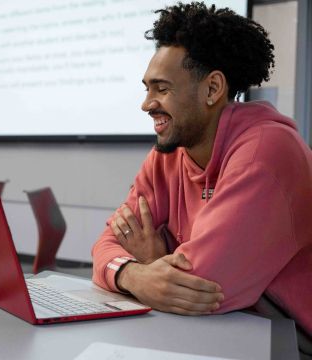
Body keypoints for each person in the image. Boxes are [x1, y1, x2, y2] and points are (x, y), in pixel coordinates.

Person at [91, 1, 312, 352]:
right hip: (223, 331)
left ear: (212, 89)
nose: (147, 103)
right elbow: (105, 245)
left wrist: (150, 260)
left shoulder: (267, 152)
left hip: (290, 342)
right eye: (147, 88)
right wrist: (134, 273)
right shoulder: (167, 155)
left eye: (161, 89)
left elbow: (203, 286)